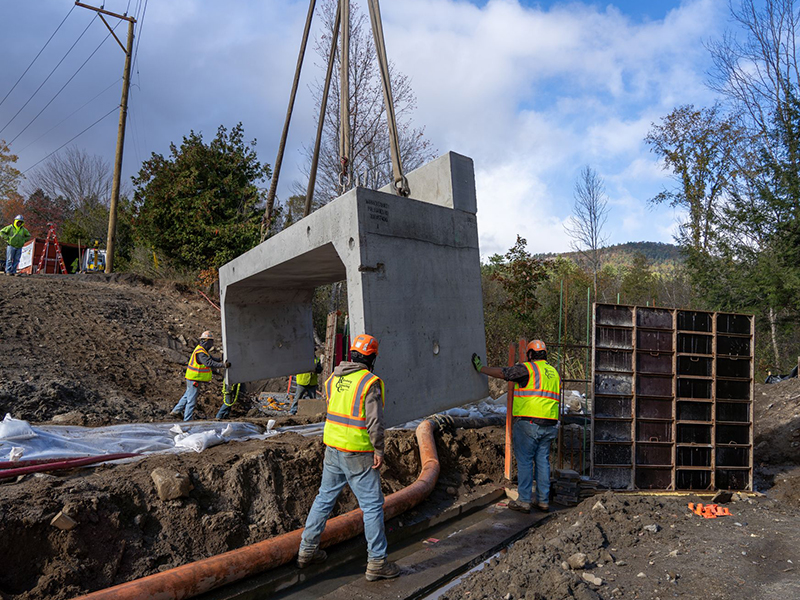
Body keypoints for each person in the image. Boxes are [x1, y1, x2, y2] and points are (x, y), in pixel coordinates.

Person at [297, 334, 400, 581]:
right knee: (373, 507)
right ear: (372, 357)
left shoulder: (334, 378)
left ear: (352, 354)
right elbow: (374, 421)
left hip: (333, 448)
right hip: (359, 452)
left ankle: (306, 550)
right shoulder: (369, 382)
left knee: (324, 498)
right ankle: (377, 562)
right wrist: (379, 449)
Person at [471, 340, 560, 513]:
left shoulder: (529, 368)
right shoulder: (554, 372)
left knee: (525, 461)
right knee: (543, 462)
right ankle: (543, 501)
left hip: (529, 423)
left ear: (531, 354)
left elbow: (505, 373)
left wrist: (481, 368)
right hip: (549, 424)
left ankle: (524, 501)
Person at [171, 330, 230, 421]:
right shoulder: (201, 352)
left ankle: (176, 410)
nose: (212, 344)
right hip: (195, 378)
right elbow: (208, 362)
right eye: (211, 342)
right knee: (191, 400)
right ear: (206, 341)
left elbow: (210, 358)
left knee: (187, 395)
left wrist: (219, 359)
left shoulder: (201, 349)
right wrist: (223, 365)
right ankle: (187, 420)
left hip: (192, 377)